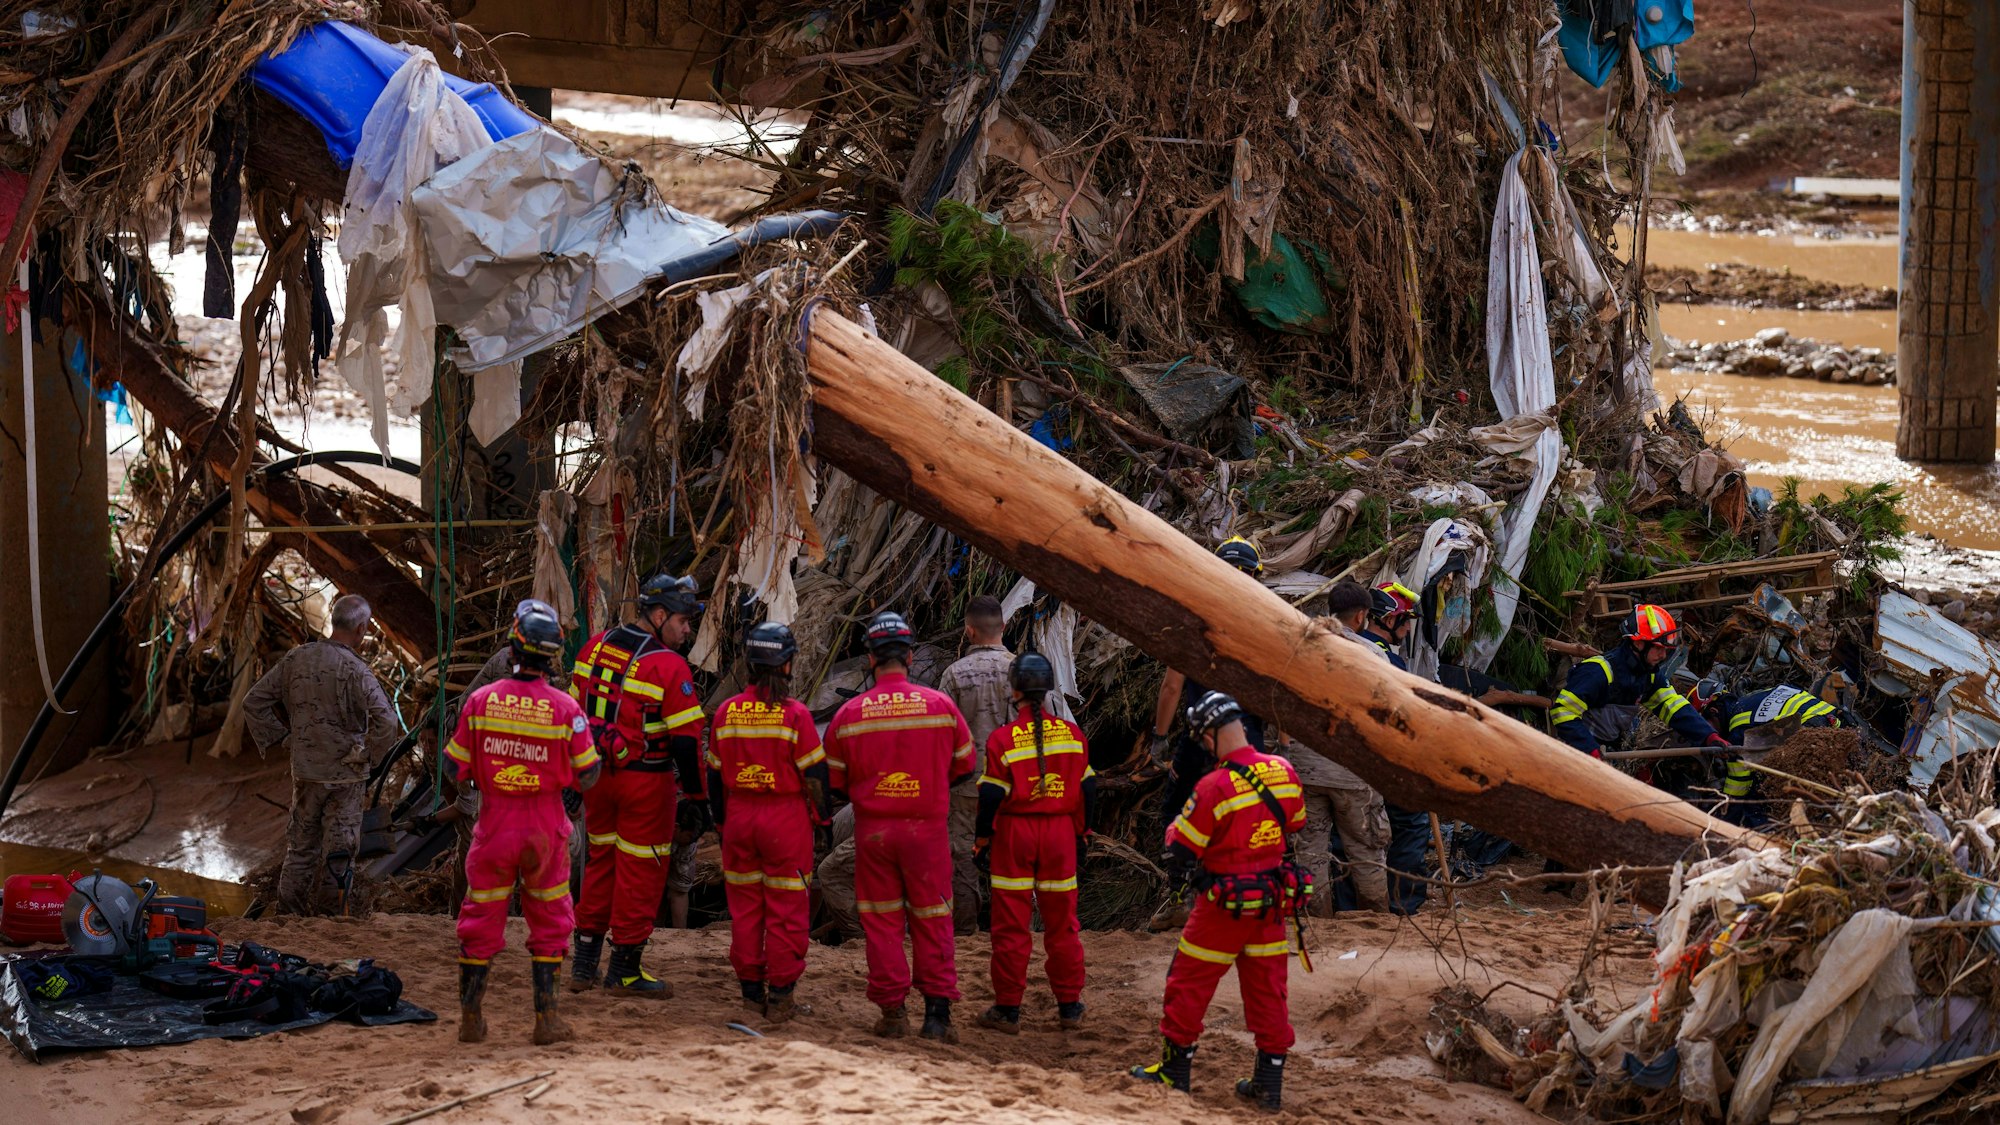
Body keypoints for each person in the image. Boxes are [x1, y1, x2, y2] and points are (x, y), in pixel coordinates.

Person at [1131, 692, 1308, 1111]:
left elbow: (1181, 848)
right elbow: (1296, 822)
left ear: (1208, 737)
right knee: (1269, 990)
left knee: (1187, 983)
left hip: (1221, 907)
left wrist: (1178, 829)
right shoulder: (1283, 771)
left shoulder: (1213, 786)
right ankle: (1268, 1085)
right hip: (1269, 903)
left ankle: (1174, 1073)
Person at [447, 602, 600, 1045]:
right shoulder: (567, 708)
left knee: (480, 918)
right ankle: (546, 1021)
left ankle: (471, 1019)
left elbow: (454, 766)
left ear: (512, 649)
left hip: (494, 826)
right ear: (553, 656)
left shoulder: (481, 701)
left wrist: (488, 770)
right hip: (545, 829)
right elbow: (589, 774)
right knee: (551, 919)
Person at [826, 610, 976, 1043]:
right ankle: (937, 1018)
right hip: (927, 833)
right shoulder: (940, 706)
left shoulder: (849, 714)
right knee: (933, 918)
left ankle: (893, 1014)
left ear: (870, 658)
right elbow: (965, 768)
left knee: (882, 922)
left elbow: (834, 784)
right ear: (910, 657)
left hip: (873, 834)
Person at [566, 573, 708, 996]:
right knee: (640, 872)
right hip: (646, 785)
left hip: (597, 779)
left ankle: (583, 966)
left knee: (601, 864)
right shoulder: (668, 665)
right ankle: (625, 972)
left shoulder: (595, 647)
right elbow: (686, 742)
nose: (687, 630)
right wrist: (697, 798)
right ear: (659, 615)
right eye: (683, 621)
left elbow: (572, 713)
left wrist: (573, 779)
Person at [244, 594, 403, 915]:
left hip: (306, 773)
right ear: (361, 628)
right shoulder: (356, 669)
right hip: (345, 778)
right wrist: (369, 757)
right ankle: (329, 920)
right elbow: (388, 721)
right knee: (339, 854)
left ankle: (288, 916)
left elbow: (253, 702)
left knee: (300, 850)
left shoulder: (296, 659)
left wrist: (284, 738)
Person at [708, 621, 830, 1022]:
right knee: (786, 909)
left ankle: (749, 995)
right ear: (787, 664)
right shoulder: (795, 715)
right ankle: (780, 998)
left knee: (745, 910)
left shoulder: (726, 712)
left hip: (739, 819)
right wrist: (823, 820)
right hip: (784, 821)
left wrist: (722, 825)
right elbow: (815, 777)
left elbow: (714, 777)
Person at [972, 652, 1096, 1035]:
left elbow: (991, 796)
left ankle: (1008, 1011)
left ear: (1014, 691)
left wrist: (982, 840)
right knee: (1063, 925)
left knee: (1011, 926)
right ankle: (1070, 1008)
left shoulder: (1002, 739)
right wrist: (1083, 834)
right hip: (1060, 835)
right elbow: (1088, 788)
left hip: (1015, 836)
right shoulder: (1073, 736)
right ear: (1048, 689)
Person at [1150, 537, 1268, 820]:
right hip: (1247, 738)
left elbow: (1172, 687)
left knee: (1180, 814)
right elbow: (1277, 691)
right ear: (1254, 575)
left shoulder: (1193, 621)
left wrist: (1160, 737)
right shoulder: (1266, 625)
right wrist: (1284, 746)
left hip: (1201, 738)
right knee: (1248, 817)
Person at [1301, 581, 1392, 913]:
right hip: (1353, 773)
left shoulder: (1301, 648)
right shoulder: (1371, 655)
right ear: (1362, 615)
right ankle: (1376, 919)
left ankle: (1315, 921)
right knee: (1367, 848)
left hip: (1305, 769)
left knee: (1308, 852)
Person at [1550, 604, 1727, 759]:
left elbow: (1673, 707)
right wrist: (1589, 750)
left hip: (1604, 750)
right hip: (1574, 751)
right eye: (1658, 648)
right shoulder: (1598, 672)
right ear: (1638, 643)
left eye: (1666, 650)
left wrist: (1708, 736)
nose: (1663, 655)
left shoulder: (1648, 675)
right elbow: (1563, 711)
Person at [935, 594, 1014, 934]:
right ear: (1004, 626)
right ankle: (1013, 925)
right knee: (1010, 852)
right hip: (1012, 782)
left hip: (966, 785)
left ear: (969, 631)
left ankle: (965, 929)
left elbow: (941, 735)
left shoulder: (954, 675)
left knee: (962, 853)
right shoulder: (1022, 670)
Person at [1360, 581, 1432, 915]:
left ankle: (1352, 903)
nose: (1408, 628)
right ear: (1388, 619)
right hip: (1387, 758)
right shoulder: (1387, 660)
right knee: (1411, 825)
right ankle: (1403, 902)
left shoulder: (1348, 645)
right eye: (1405, 621)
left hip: (1353, 761)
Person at [1691, 681, 1840, 826]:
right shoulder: (1755, 697)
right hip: (1836, 722)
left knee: (1759, 794)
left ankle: (1764, 834)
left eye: (1704, 726)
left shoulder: (1738, 727)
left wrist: (1725, 820)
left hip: (1810, 734)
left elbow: (1739, 786)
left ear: (1714, 712)